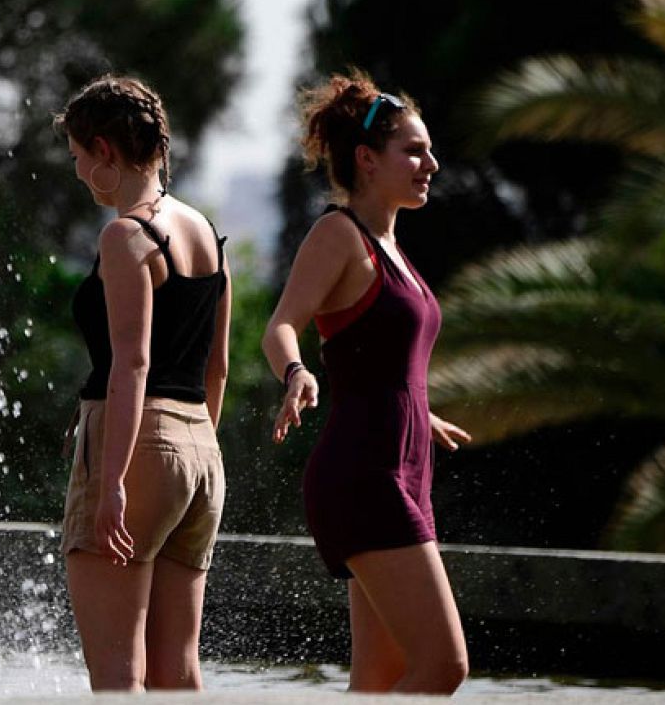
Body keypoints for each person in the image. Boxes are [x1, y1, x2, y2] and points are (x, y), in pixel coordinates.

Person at [261, 71, 472, 694]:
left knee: (380, 679)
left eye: (429, 149)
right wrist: (296, 371)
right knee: (443, 666)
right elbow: (280, 326)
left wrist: (417, 413)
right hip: (363, 476)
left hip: (403, 469)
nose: (430, 162)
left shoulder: (394, 247)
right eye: (414, 150)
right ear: (366, 159)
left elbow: (381, 358)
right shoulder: (340, 234)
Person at [54, 75, 231, 692]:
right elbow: (218, 369)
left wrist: (112, 485)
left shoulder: (126, 236)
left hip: (134, 444)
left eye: (78, 158)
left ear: (105, 151)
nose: (78, 174)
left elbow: (132, 364)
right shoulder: (207, 233)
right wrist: (195, 451)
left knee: (117, 676)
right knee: (178, 673)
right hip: (201, 453)